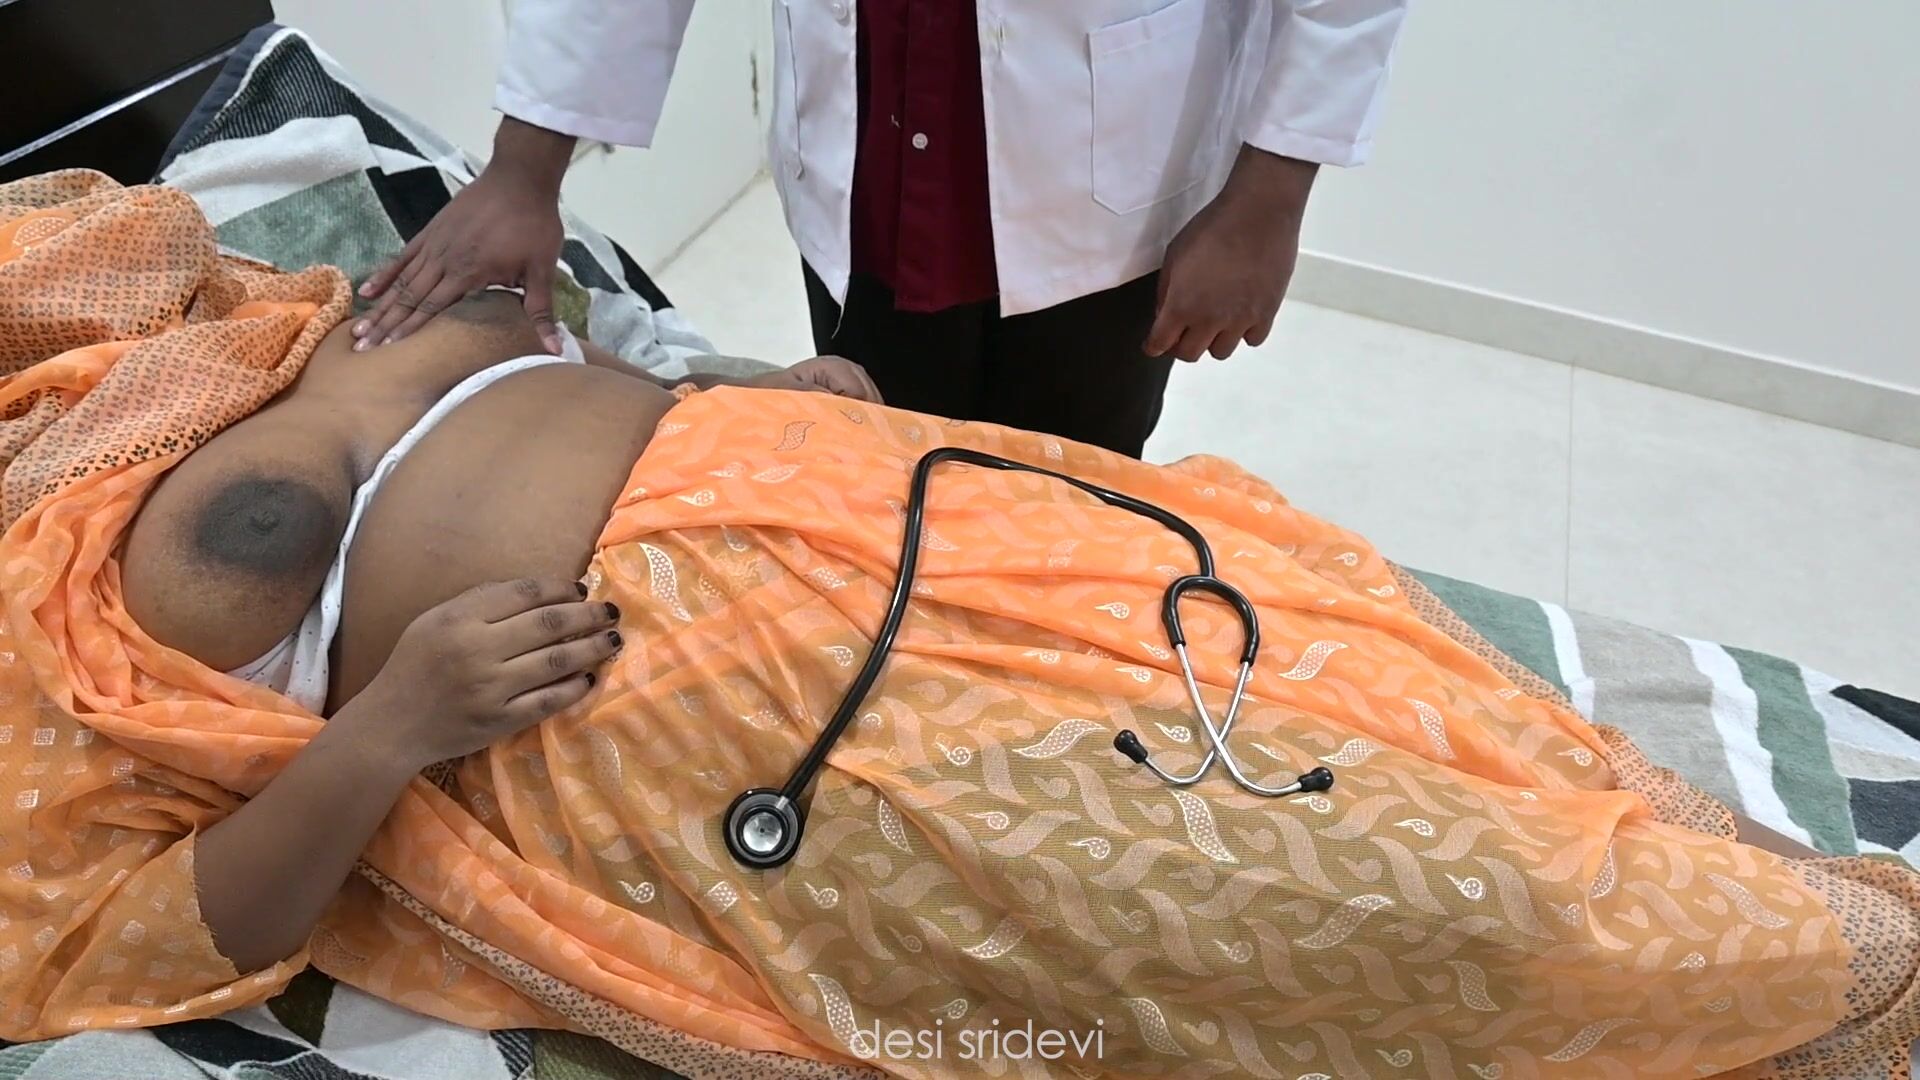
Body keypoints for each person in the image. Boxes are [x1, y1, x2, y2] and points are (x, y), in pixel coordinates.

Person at [8, 174, 1920, 1078]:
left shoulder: (257, 304)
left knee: (1387, 686)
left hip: (881, 492)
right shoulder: (33, 605)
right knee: (1401, 893)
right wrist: (389, 728)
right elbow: (140, 930)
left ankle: (1779, 939)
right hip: (684, 702)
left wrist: (750, 392)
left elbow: (112, 229)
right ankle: (1801, 990)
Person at [349, 0, 1410, 458]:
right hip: (869, 182)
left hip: (1107, 197)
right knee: (873, 483)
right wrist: (523, 168)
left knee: (1080, 499)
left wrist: (1268, 198)